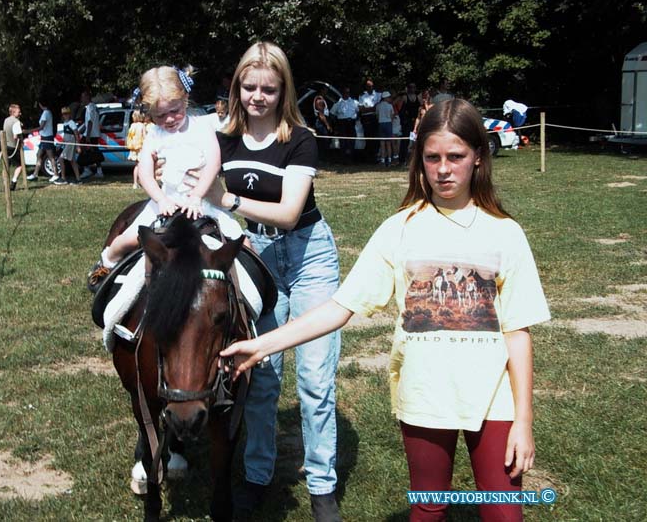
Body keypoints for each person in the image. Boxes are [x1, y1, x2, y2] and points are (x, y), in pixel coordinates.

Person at [221, 98, 551, 522]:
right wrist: (261, 345)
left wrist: (523, 419)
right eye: (432, 157)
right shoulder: (400, 229)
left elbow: (518, 331)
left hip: (494, 402)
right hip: (426, 395)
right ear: (419, 161)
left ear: (479, 159)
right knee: (429, 508)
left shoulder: (506, 233)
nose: (444, 169)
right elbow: (340, 307)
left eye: (456, 156)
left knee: (503, 514)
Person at [201, 41, 342, 521]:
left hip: (307, 258)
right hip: (255, 260)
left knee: (315, 378)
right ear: (237, 87)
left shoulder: (300, 138)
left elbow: (287, 213)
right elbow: (192, 181)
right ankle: (257, 476)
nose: (257, 96)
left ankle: (322, 486)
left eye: (268, 88)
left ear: (284, 91)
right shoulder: (221, 140)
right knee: (260, 377)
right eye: (249, 86)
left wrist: (230, 200)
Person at [87, 65, 245, 287]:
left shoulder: (202, 127)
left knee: (241, 241)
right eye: (160, 115)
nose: (169, 119)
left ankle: (264, 286)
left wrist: (198, 195)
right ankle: (107, 261)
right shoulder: (154, 134)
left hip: (204, 202)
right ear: (149, 113)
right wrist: (160, 198)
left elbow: (213, 162)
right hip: (164, 202)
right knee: (127, 239)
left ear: (185, 99)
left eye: (175, 111)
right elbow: (145, 173)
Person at [24, 98, 57, 182]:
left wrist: (28, 131)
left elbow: (41, 127)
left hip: (47, 137)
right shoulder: (47, 112)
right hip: (44, 137)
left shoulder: (46, 113)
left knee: (50, 156)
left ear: (40, 104)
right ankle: (35, 174)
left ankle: (55, 174)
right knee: (39, 155)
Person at [55, 107, 83, 185]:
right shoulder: (65, 123)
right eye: (64, 114)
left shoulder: (71, 123)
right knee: (72, 161)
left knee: (61, 158)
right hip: (67, 142)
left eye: (67, 114)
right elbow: (65, 136)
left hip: (71, 142)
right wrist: (60, 144)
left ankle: (63, 178)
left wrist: (78, 145)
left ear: (70, 114)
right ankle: (78, 179)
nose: (65, 115)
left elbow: (76, 134)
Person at [79, 90, 103, 179]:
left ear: (87, 97)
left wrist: (88, 136)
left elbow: (89, 122)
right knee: (94, 152)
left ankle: (87, 169)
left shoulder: (89, 108)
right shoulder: (95, 107)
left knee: (84, 151)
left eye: (83, 97)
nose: (81, 99)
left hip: (90, 134)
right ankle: (99, 170)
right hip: (95, 133)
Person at [330, 86, 359, 161]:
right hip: (342, 124)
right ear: (342, 93)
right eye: (345, 92)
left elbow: (359, 111)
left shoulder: (354, 102)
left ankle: (351, 158)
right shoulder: (338, 103)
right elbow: (332, 114)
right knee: (343, 142)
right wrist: (336, 124)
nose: (347, 94)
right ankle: (343, 159)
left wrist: (356, 119)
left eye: (348, 92)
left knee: (352, 141)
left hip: (351, 123)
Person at [126, 111, 150, 188]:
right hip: (141, 148)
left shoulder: (132, 125)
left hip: (134, 148)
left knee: (137, 166)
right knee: (142, 166)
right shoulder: (142, 125)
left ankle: (135, 183)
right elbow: (145, 137)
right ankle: (143, 182)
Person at [359, 78, 382, 160]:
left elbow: (379, 107)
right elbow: (362, 110)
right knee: (368, 138)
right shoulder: (362, 96)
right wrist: (373, 108)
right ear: (366, 87)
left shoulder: (379, 95)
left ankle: (375, 156)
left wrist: (368, 108)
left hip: (375, 118)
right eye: (368, 86)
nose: (370, 88)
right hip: (366, 118)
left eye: (371, 86)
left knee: (376, 138)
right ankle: (369, 158)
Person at [3, 103, 24, 190]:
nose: (20, 113)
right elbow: (16, 136)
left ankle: (5, 184)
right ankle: (13, 182)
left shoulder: (6, 120)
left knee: (6, 166)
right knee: (20, 165)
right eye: (19, 112)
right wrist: (21, 140)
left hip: (5, 146)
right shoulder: (16, 122)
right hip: (13, 147)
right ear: (13, 112)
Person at [398, 83, 421, 164]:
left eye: (414, 87)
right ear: (407, 88)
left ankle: (415, 159)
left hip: (415, 122)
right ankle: (402, 159)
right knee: (405, 141)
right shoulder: (404, 97)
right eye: (410, 87)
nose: (412, 89)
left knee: (415, 141)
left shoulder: (418, 97)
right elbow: (400, 110)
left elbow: (421, 108)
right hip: (407, 122)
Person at [376, 91, 394, 166]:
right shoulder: (390, 106)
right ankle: (389, 160)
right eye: (389, 97)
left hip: (381, 123)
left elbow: (377, 115)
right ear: (385, 98)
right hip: (388, 124)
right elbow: (392, 116)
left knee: (382, 144)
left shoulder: (378, 106)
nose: (390, 99)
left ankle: (383, 161)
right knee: (388, 143)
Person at [312, 90, 332, 158]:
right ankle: (322, 158)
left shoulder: (320, 100)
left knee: (322, 141)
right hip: (321, 122)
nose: (327, 93)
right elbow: (321, 114)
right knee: (324, 141)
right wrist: (327, 125)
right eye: (325, 90)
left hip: (322, 121)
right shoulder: (319, 101)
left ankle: (322, 157)